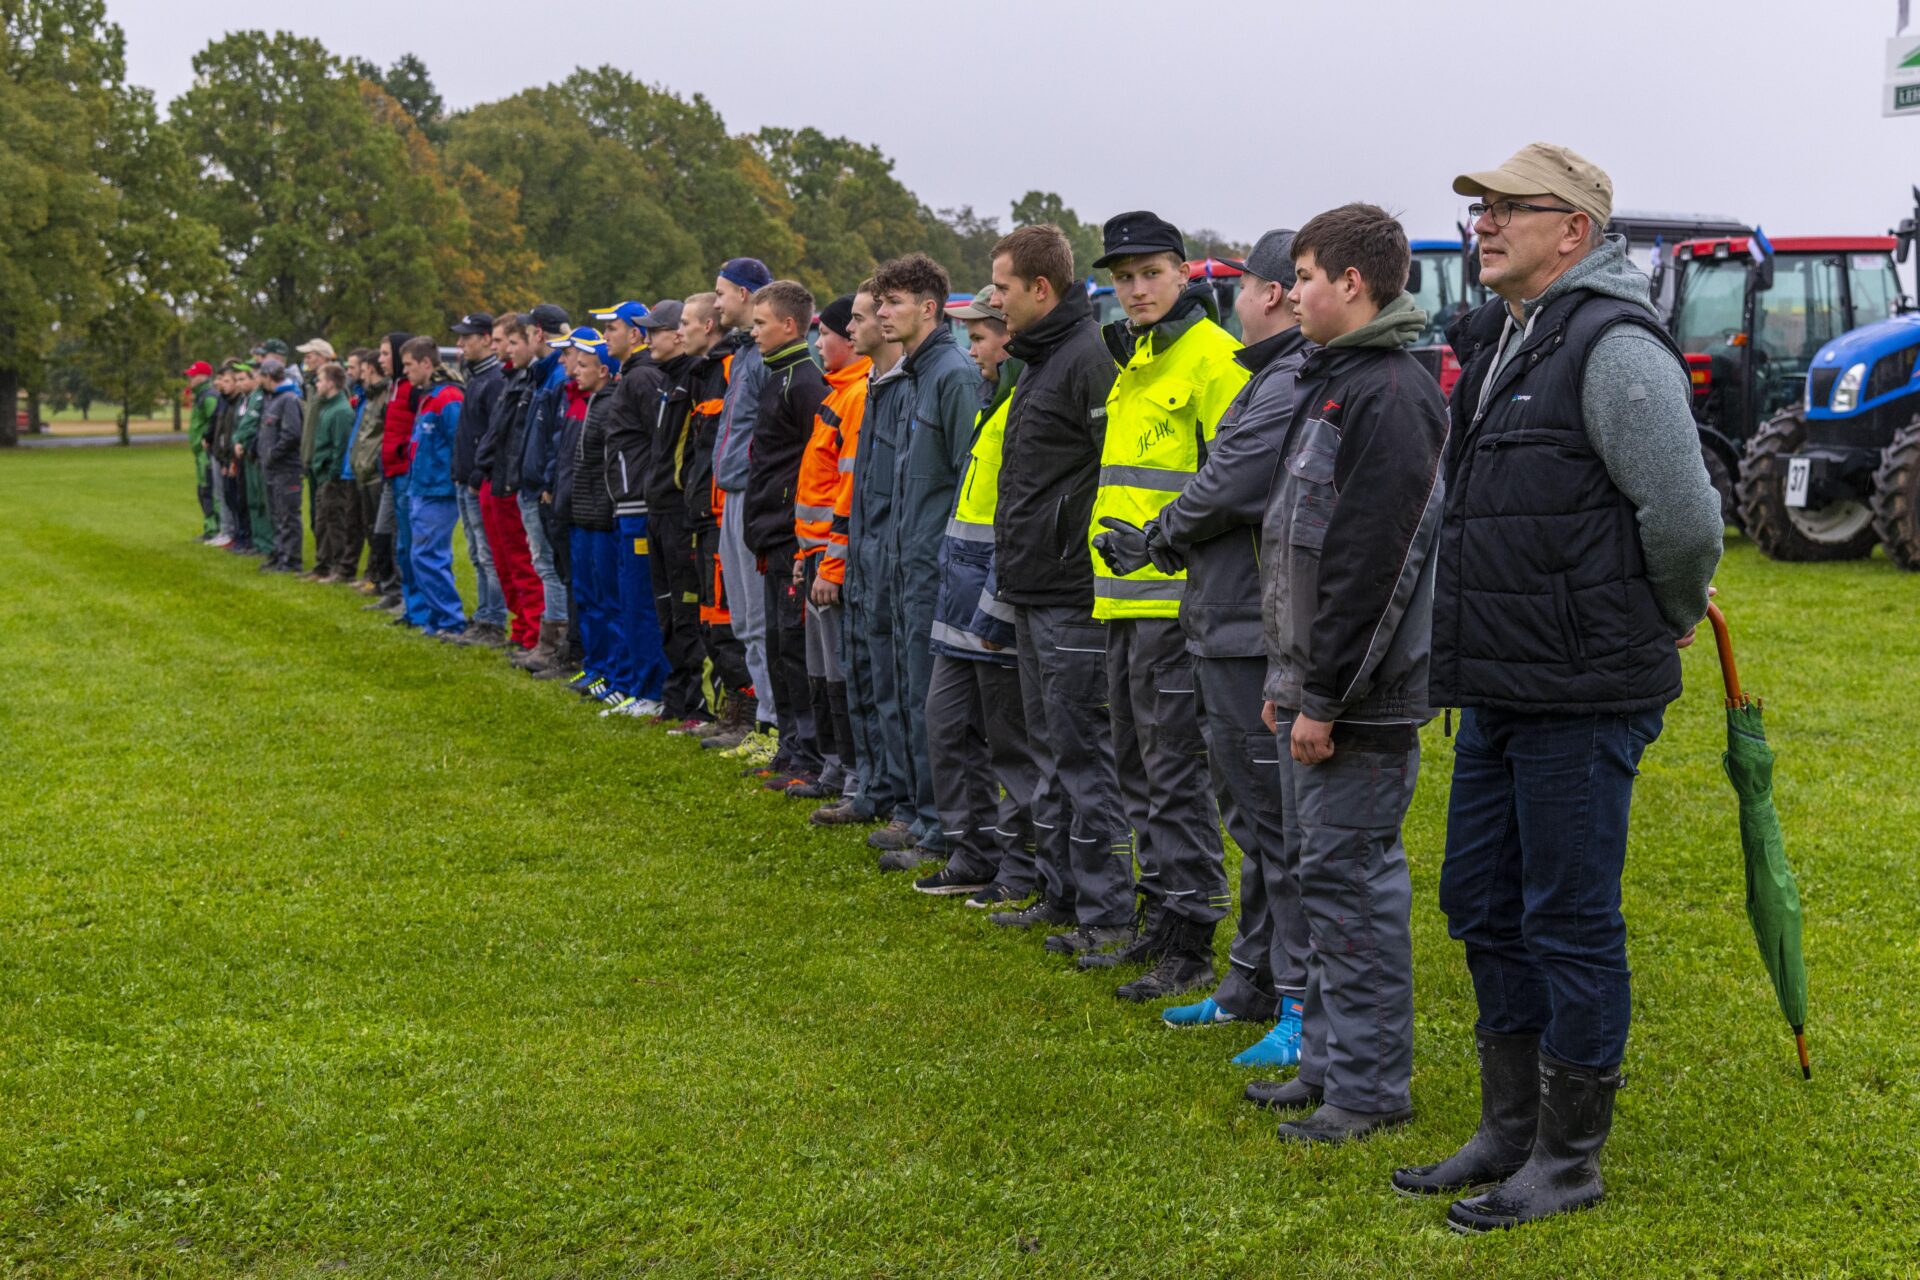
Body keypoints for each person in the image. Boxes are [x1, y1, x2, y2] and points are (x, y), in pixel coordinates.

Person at [1396, 145, 1723, 1231]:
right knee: (1481, 901)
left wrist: (1668, 614)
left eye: (1507, 209)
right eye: (1479, 209)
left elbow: (1683, 519)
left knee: (1569, 918)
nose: (1482, 225)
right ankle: (1507, 1127)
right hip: (1502, 677)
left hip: (1581, 688)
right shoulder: (1504, 337)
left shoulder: (1615, 348)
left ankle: (1569, 1155)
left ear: (1574, 230)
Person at [1233, 203, 1448, 1147]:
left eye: (1309, 276)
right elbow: (1296, 541)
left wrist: (1325, 696)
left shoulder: (1390, 393)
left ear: (1352, 285)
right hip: (1310, 683)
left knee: (1352, 884)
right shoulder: (1334, 382)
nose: (1295, 292)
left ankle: (1367, 1090)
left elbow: (1375, 563)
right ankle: (1325, 1063)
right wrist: (1290, 676)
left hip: (1358, 699)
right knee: (1320, 879)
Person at [1151, 230, 1314, 1067]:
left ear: (1277, 293)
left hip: (1252, 632)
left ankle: (1297, 1004)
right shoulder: (1270, 375)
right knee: (1252, 824)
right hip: (1223, 622)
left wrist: (1161, 531)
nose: (1234, 301)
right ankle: (1251, 981)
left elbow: (1232, 482)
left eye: (1244, 285)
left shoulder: (1286, 381)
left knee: (1278, 827)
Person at [1085, 211, 1240, 1001]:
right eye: (1123, 277)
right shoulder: (1135, 360)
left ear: (1183, 273)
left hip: (1178, 605)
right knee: (1136, 769)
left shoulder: (1215, 359)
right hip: (1120, 604)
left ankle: (1193, 941)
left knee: (1176, 773)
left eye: (1150, 273)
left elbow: (1230, 487)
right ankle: (1160, 919)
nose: (1136, 289)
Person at [981, 224, 1135, 949]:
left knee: (1081, 753)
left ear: (1042, 289)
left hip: (1075, 593)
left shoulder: (1087, 360)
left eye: (1004, 289)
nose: (994, 302)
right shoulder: (1042, 360)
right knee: (1049, 749)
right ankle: (1064, 892)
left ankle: (1107, 914)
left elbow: (1112, 477)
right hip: (1036, 589)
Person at [908, 287, 1043, 908]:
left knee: (1010, 746)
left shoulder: (1020, 402)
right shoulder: (995, 400)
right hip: (960, 600)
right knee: (947, 726)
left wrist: (996, 597)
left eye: (982, 336)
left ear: (1009, 337)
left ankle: (1019, 865)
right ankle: (972, 851)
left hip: (997, 603)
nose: (972, 348)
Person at [870, 251, 981, 871]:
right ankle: (918, 814)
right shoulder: (917, 374)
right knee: (909, 691)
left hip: (938, 570)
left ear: (929, 308)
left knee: (934, 704)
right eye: (881, 302)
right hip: (906, 563)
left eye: (894, 302)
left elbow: (969, 478)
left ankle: (943, 831)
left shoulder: (952, 375)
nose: (883, 312)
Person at [839, 281, 914, 840]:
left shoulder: (911, 385)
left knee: (896, 687)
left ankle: (904, 801)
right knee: (866, 675)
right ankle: (874, 785)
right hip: (867, 552)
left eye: (866, 314)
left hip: (896, 557)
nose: (854, 326)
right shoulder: (875, 386)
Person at [789, 295, 868, 803]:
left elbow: (847, 489)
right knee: (820, 668)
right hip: (815, 555)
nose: (820, 344)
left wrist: (830, 564)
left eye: (827, 335)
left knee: (840, 669)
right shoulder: (835, 395)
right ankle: (835, 765)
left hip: (832, 561)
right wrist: (804, 555)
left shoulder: (856, 395)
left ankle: (854, 771)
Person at [709, 257, 779, 753]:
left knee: (758, 619)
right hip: (733, 493)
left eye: (720, 293)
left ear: (744, 293)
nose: (716, 303)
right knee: (743, 620)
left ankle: (774, 728)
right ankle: (765, 723)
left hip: (752, 497)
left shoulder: (768, 356)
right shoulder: (744, 353)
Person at [593, 299, 671, 717]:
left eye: (613, 329)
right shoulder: (631, 376)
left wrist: (646, 489)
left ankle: (652, 691)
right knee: (628, 597)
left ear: (636, 334)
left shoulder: (642, 378)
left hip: (641, 504)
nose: (607, 337)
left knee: (641, 600)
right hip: (628, 504)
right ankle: (638, 684)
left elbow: (659, 441)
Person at [638, 300, 711, 725]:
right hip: (658, 508)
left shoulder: (694, 378)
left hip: (681, 514)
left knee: (687, 613)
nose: (650, 340)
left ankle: (697, 706)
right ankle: (676, 699)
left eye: (658, 330)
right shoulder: (666, 381)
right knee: (665, 608)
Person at [469, 314, 545, 652]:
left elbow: (514, 439)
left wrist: (510, 478)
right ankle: (521, 626)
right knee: (504, 562)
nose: (505, 349)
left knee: (522, 561)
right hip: (495, 479)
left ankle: (533, 632)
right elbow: (495, 434)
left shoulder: (524, 383)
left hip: (509, 483)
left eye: (511, 342)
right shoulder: (512, 381)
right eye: (504, 342)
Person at [507, 304, 575, 673]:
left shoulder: (556, 378)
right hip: (533, 483)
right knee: (543, 563)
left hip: (542, 488)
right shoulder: (542, 375)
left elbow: (556, 438)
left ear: (538, 333)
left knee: (548, 566)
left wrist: (546, 481)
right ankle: (547, 642)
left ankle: (554, 644)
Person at [398, 336, 468, 637]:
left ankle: (451, 620)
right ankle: (437, 618)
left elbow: (458, 442)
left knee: (429, 555)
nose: (405, 372)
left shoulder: (449, 397)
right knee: (420, 555)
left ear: (426, 363)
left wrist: (453, 477)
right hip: (421, 487)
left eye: (409, 365)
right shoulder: (429, 395)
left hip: (438, 490)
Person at [449, 312, 512, 647]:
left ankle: (494, 621)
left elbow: (493, 432)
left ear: (487, 338)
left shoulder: (495, 379)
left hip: (479, 478)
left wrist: (476, 472)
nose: (460, 344)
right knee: (476, 552)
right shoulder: (475, 377)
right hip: (464, 476)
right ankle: (485, 614)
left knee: (487, 553)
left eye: (467, 337)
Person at [348, 347, 399, 606]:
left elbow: (383, 435)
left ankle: (383, 581)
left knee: (383, 533)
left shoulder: (387, 395)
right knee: (373, 530)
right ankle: (377, 579)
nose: (359, 376)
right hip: (365, 470)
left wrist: (374, 462)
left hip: (377, 473)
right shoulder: (370, 397)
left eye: (364, 371)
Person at [378, 333, 422, 623]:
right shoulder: (394, 387)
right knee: (400, 544)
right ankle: (409, 604)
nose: (380, 360)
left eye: (384, 354)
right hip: (393, 471)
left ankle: (418, 607)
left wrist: (401, 454)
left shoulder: (411, 389)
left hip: (406, 472)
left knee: (411, 543)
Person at [308, 363, 361, 582]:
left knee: (335, 522)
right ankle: (323, 565)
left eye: (319, 380)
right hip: (322, 474)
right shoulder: (327, 407)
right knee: (322, 522)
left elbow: (341, 447)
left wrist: (332, 474)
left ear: (331, 382)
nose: (316, 384)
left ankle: (339, 567)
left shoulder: (340, 411)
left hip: (332, 477)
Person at [254, 356, 306, 573]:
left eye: (260, 375)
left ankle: (291, 560)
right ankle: (279, 554)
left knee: (288, 515)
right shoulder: (271, 399)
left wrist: (273, 454)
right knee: (276, 514)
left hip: (286, 468)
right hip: (272, 469)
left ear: (268, 377)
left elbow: (292, 433)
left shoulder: (289, 399)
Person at [183, 361, 221, 541]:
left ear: (204, 376)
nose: (190, 378)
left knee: (209, 489)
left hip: (207, 452)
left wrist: (207, 440)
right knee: (203, 490)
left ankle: (215, 528)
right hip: (199, 452)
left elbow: (215, 421)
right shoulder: (200, 396)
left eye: (193, 375)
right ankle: (210, 527)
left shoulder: (209, 397)